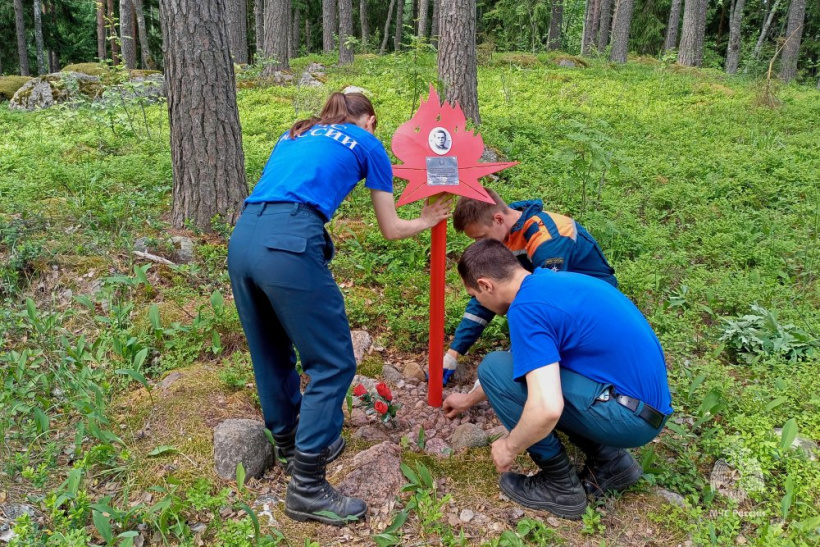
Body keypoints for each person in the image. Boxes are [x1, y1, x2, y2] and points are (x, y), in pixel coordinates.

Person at [227, 92, 451, 526]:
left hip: (243, 240)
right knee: (332, 362)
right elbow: (390, 228)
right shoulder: (367, 143)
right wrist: (426, 219)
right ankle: (308, 488)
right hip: (289, 242)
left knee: (270, 352)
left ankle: (292, 443)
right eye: (375, 124)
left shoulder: (295, 132)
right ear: (369, 120)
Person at [445, 239, 671, 519]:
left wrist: (509, 446)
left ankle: (559, 486)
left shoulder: (526, 310)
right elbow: (526, 366)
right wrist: (469, 399)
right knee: (507, 370)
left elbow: (547, 407)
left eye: (474, 295)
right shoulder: (550, 282)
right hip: (644, 408)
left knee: (492, 367)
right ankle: (612, 462)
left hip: (629, 418)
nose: (479, 302)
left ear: (486, 285)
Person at [440, 189, 617, 384]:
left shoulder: (548, 238)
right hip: (565, 301)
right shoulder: (503, 235)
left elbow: (542, 305)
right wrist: (453, 353)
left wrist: (514, 361)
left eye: (480, 238)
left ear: (499, 219)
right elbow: (485, 295)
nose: (478, 244)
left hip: (596, 307)